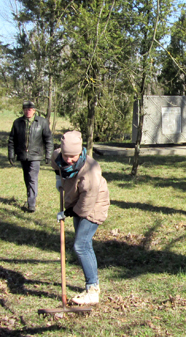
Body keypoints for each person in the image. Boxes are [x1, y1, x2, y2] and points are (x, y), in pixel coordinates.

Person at [53, 131, 110, 305]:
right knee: (84, 243)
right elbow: (55, 162)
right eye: (66, 155)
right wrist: (58, 177)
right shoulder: (57, 156)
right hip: (78, 201)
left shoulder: (90, 169)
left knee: (81, 245)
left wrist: (71, 212)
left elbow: (87, 202)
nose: (69, 159)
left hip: (95, 204)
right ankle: (92, 285)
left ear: (80, 153)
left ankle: (93, 290)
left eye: (73, 156)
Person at [8, 101, 53, 212]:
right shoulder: (17, 122)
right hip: (23, 155)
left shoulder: (42, 122)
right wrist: (11, 154)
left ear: (34, 110)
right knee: (27, 178)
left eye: (30, 109)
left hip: (36, 155)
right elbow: (11, 140)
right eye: (26, 109)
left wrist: (48, 154)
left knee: (33, 177)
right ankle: (30, 197)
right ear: (23, 110)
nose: (28, 111)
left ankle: (31, 203)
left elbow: (48, 139)